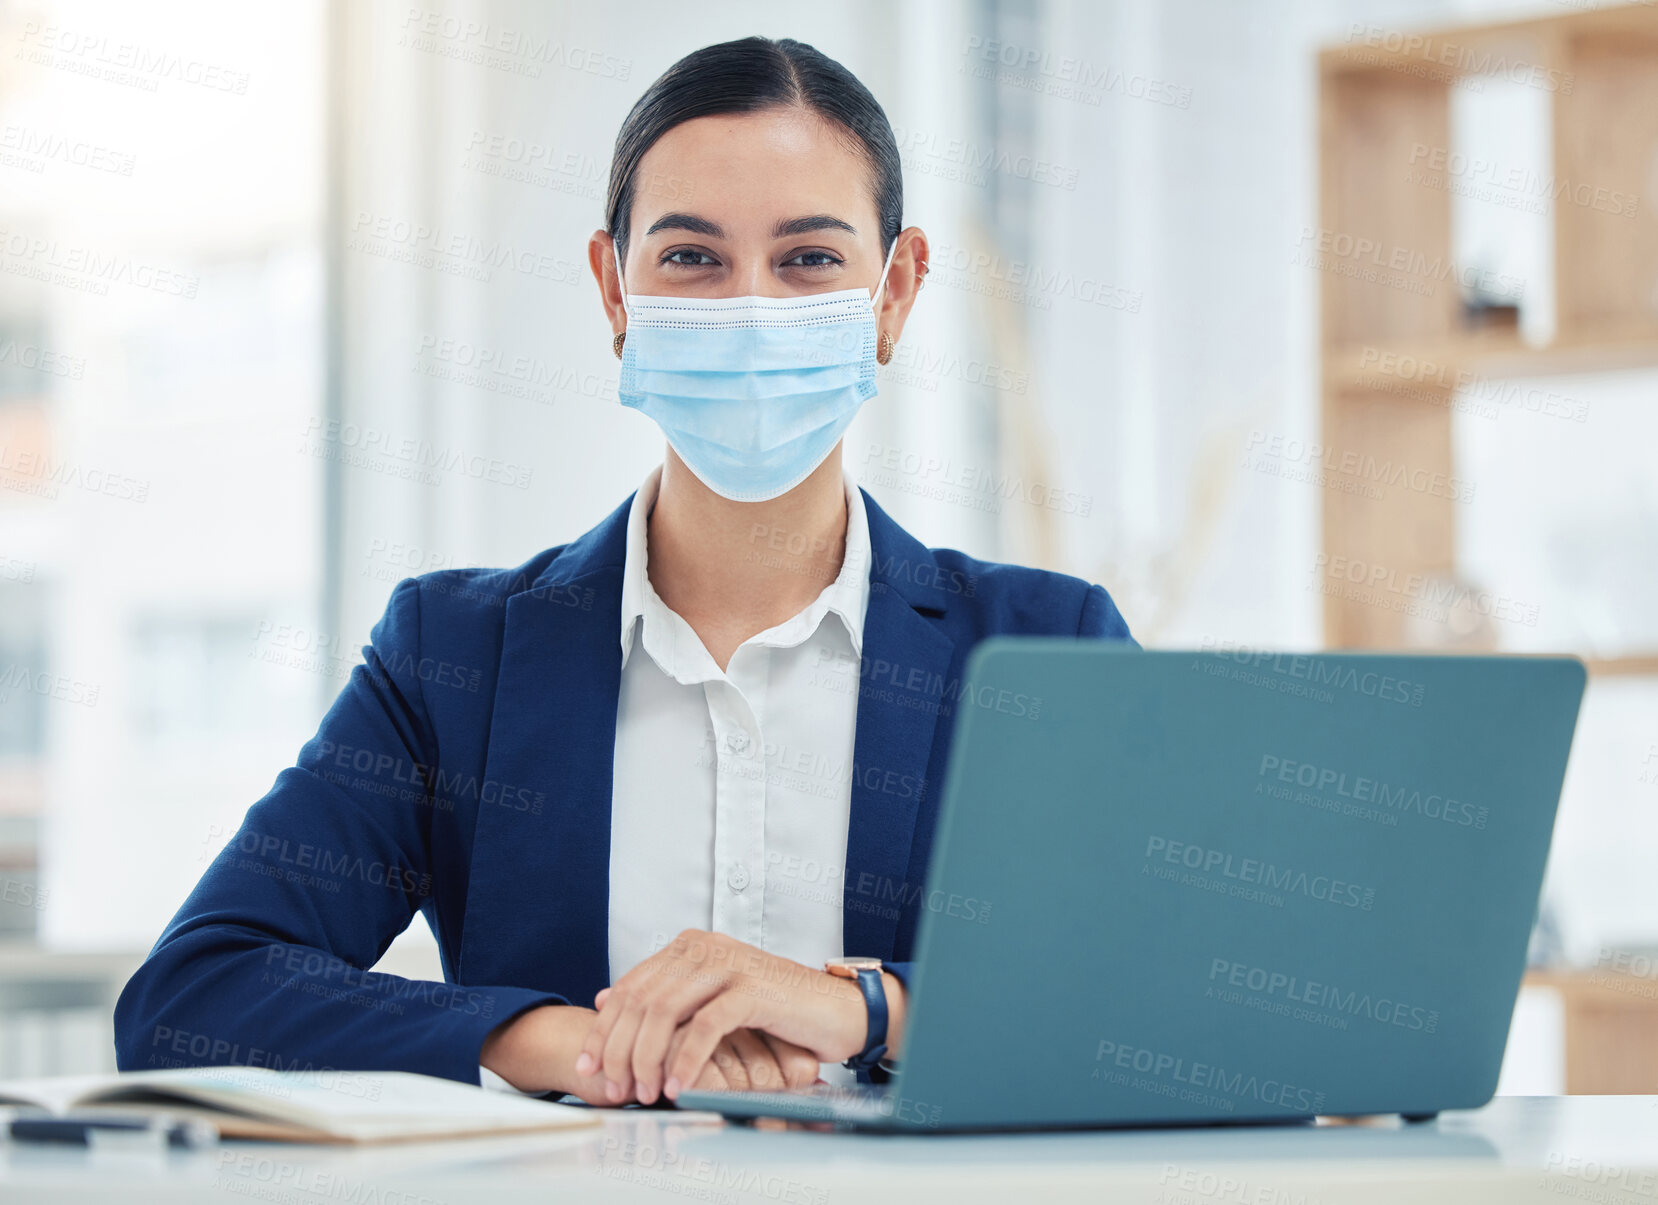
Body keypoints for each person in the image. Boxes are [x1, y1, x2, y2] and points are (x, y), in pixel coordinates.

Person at [114, 34, 1136, 1108]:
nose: (750, 308)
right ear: (614, 289)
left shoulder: (1043, 649)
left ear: (893, 292)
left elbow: (1177, 1002)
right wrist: (570, 1039)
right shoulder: (452, 656)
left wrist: (865, 1006)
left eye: (809, 259)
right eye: (690, 257)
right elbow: (193, 993)